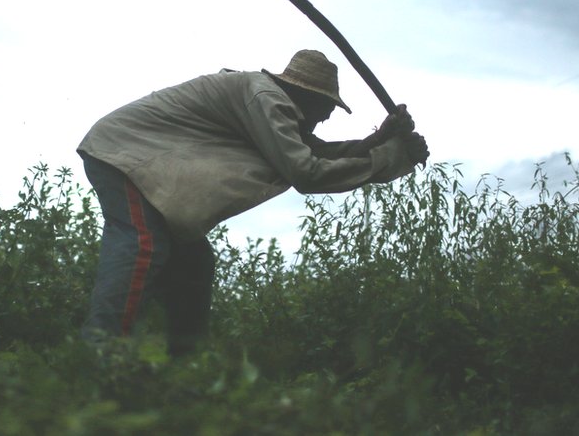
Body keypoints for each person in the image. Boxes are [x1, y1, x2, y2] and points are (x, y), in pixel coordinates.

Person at [76, 49, 429, 356]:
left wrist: (382, 142)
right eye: (327, 108)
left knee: (193, 264)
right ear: (306, 96)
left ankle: (184, 371)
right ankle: (101, 357)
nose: (327, 117)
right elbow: (307, 171)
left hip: (137, 163)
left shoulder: (271, 106)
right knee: (144, 245)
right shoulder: (266, 98)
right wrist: (390, 157)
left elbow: (316, 152)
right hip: (124, 156)